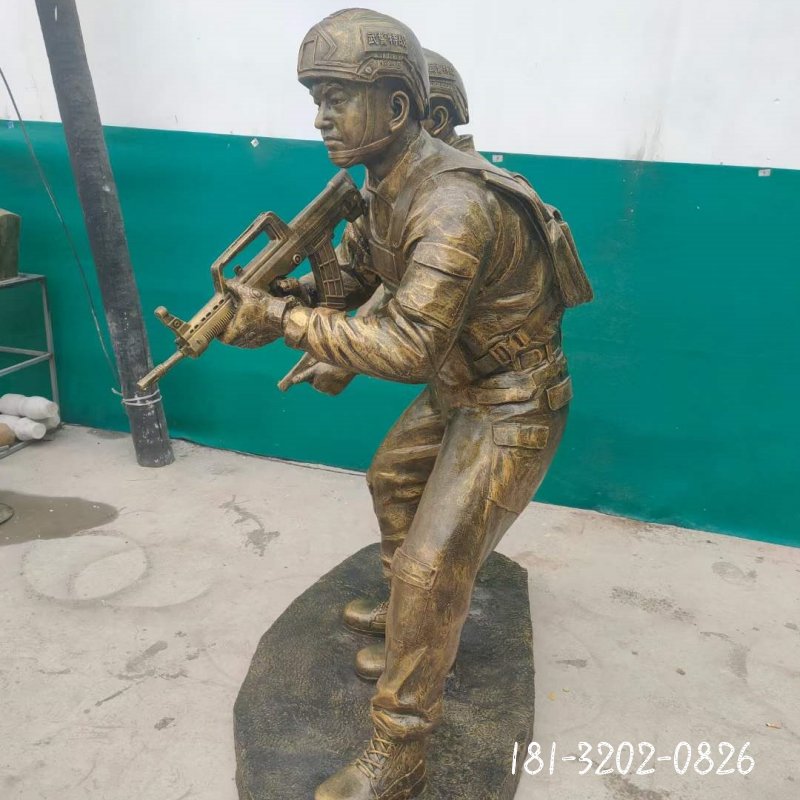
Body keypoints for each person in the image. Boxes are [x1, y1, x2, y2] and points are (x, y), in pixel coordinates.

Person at [221, 9, 592, 800]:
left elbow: (409, 346)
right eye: (315, 98)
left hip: (514, 402)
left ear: (396, 107)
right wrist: (280, 294)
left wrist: (284, 321)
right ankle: (414, 626)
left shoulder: (454, 203)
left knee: (430, 566)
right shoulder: (388, 186)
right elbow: (359, 277)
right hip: (462, 384)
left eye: (336, 98)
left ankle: (399, 747)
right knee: (392, 479)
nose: (319, 117)